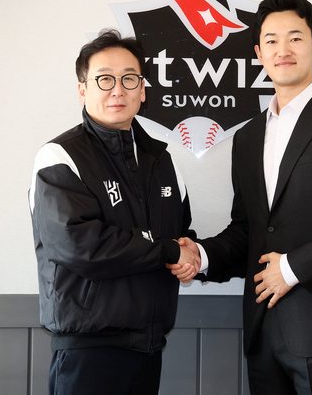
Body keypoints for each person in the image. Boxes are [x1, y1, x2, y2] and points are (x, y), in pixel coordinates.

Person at [171, 0, 312, 394]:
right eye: (271, 40)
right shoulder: (248, 136)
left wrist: (291, 268)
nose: (283, 50)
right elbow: (249, 229)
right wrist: (200, 255)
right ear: (259, 53)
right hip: (263, 330)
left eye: (295, 38)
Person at [29, 29, 199, 395]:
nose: (118, 90)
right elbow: (81, 246)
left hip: (149, 345)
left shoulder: (162, 159)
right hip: (88, 350)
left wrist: (189, 254)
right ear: (82, 89)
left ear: (143, 90)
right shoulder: (59, 157)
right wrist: (167, 250)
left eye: (129, 79)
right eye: (104, 79)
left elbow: (179, 234)